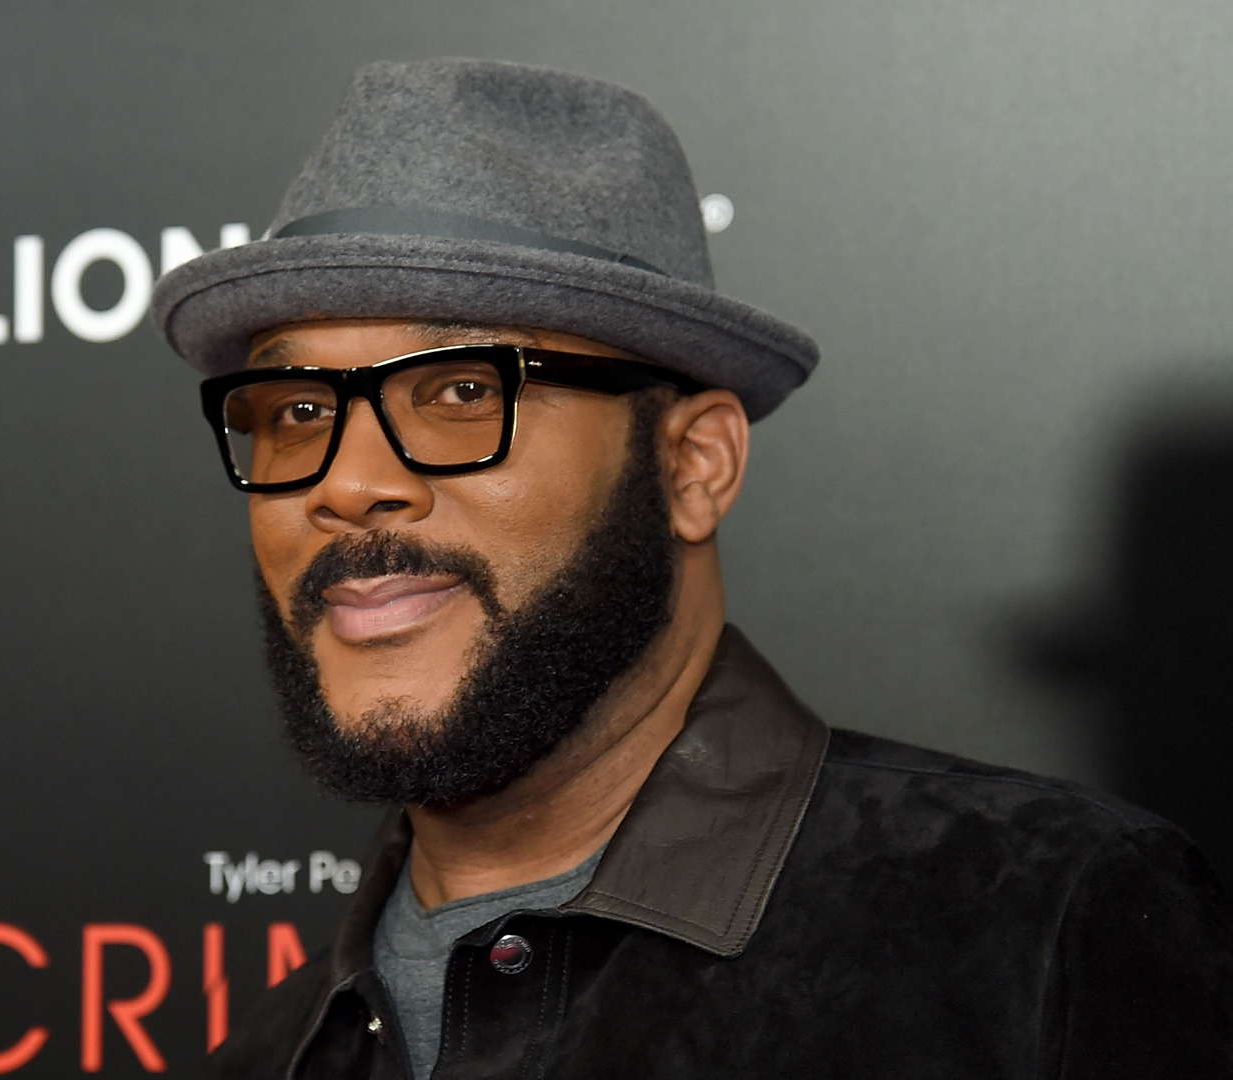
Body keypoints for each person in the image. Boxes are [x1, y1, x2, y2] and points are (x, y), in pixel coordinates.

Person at [147, 58, 1233, 1078]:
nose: (345, 484)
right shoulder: (268, 1054)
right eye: (295, 412)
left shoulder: (1036, 926)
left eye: (464, 393)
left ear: (693, 464)